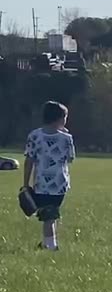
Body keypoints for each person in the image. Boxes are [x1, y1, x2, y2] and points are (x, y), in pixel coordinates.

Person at [22, 101, 75, 251]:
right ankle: (48, 243)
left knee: (48, 216)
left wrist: (25, 183)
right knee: (51, 214)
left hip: (42, 183)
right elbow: (70, 158)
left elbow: (29, 160)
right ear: (60, 118)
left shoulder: (34, 136)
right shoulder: (66, 138)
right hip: (60, 183)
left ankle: (50, 245)